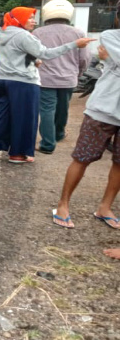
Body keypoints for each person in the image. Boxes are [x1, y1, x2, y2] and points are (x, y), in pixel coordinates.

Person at [0, 7, 94, 164]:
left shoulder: (3, 33)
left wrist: (34, 60)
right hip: (24, 82)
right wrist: (74, 44)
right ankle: (18, 154)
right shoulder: (24, 35)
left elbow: (15, 54)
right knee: (24, 118)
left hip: (2, 80)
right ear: (19, 19)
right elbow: (46, 53)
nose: (34, 21)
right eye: (30, 18)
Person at [52, 30, 120, 229]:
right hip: (102, 110)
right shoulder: (110, 35)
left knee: (119, 163)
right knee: (82, 157)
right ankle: (63, 204)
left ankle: (105, 208)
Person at [32, 0, 89, 155]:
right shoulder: (78, 32)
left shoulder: (38, 33)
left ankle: (48, 144)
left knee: (47, 109)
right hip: (69, 78)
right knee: (63, 108)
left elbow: (33, 55)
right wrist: (80, 72)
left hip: (45, 78)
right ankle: (58, 134)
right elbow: (84, 58)